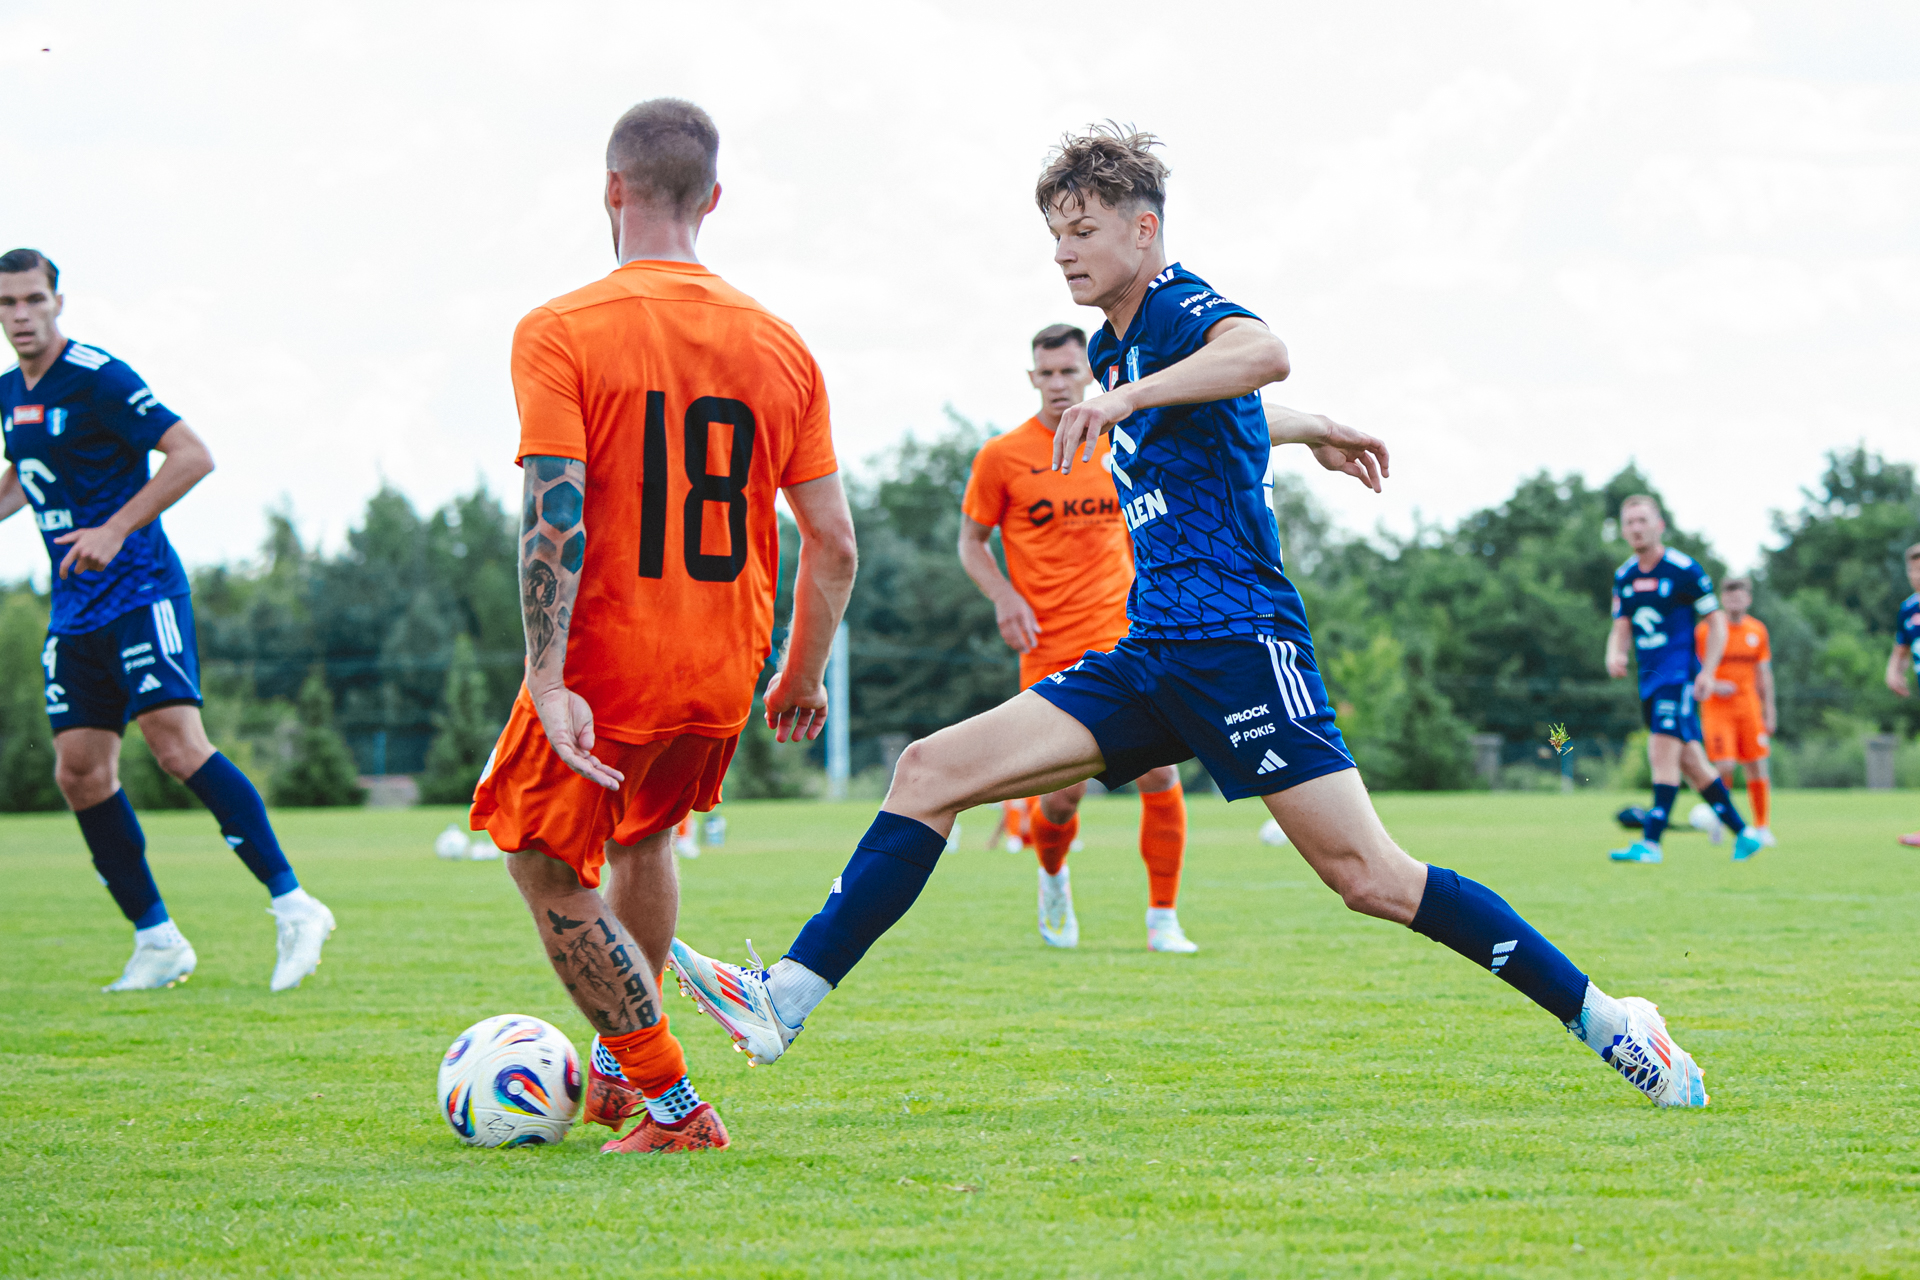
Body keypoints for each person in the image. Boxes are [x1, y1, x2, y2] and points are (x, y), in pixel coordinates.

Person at [669, 124, 1711, 1109]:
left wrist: (1135, 400)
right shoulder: (1117, 345)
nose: (1064, 254)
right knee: (927, 771)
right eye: (1055, 236)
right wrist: (1307, 430)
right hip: (1150, 656)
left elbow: (1262, 351)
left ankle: (1612, 1021)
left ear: (1143, 230)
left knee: (1370, 878)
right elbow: (1234, 407)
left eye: (1084, 231)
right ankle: (783, 998)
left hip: (1243, 650)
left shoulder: (1174, 306)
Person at [468, 99, 856, 1155]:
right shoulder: (780, 343)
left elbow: (555, 509)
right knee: (642, 837)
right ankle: (611, 1070)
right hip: (725, 662)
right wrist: (800, 675)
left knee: (543, 861)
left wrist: (548, 674)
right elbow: (833, 543)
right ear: (713, 199)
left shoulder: (562, 328)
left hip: (612, 658)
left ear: (611, 188)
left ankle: (673, 1101)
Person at [0, 248, 335, 993]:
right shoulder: (8, 393)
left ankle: (295, 905)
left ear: (58, 301)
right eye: (7, 303)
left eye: (33, 299)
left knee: (176, 747)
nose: (21, 315)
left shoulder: (100, 377)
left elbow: (192, 455)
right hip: (74, 609)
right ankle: (157, 940)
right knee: (79, 772)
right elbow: (31, 470)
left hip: (142, 591)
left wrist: (115, 529)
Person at [957, 323, 1194, 952]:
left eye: (1069, 371)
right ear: (1032, 377)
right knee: (1062, 797)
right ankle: (1053, 875)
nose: (1059, 383)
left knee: (1160, 774)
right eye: (1048, 373)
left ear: (1089, 374)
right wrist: (1004, 597)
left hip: (1129, 640)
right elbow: (971, 542)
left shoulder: (1122, 442)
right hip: (1049, 648)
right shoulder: (1002, 456)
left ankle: (1163, 919)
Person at [1604, 496, 1761, 864]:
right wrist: (1615, 653)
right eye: (1630, 522)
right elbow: (1621, 625)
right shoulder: (1625, 575)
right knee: (1692, 763)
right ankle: (1744, 833)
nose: (1636, 528)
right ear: (1623, 530)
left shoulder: (1683, 569)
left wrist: (1708, 672)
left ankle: (1651, 843)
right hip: (1649, 679)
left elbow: (1717, 623)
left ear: (1659, 525)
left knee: (1660, 752)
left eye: (1643, 520)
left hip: (1676, 678)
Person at [1689, 577, 1776, 846]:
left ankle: (1762, 826)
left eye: (1739, 596)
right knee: (1724, 765)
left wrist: (1770, 710)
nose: (1734, 601)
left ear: (1748, 599)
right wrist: (1714, 685)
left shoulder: (1757, 630)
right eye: (1729, 596)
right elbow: (1693, 668)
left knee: (1756, 764)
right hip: (1716, 708)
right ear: (1722, 600)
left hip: (1748, 707)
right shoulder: (1707, 631)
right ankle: (1721, 819)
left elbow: (1764, 673)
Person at [1887, 542, 1920, 848]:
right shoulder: (1908, 608)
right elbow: (1902, 648)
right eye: (1912, 569)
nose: (1916, 574)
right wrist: (1893, 671)